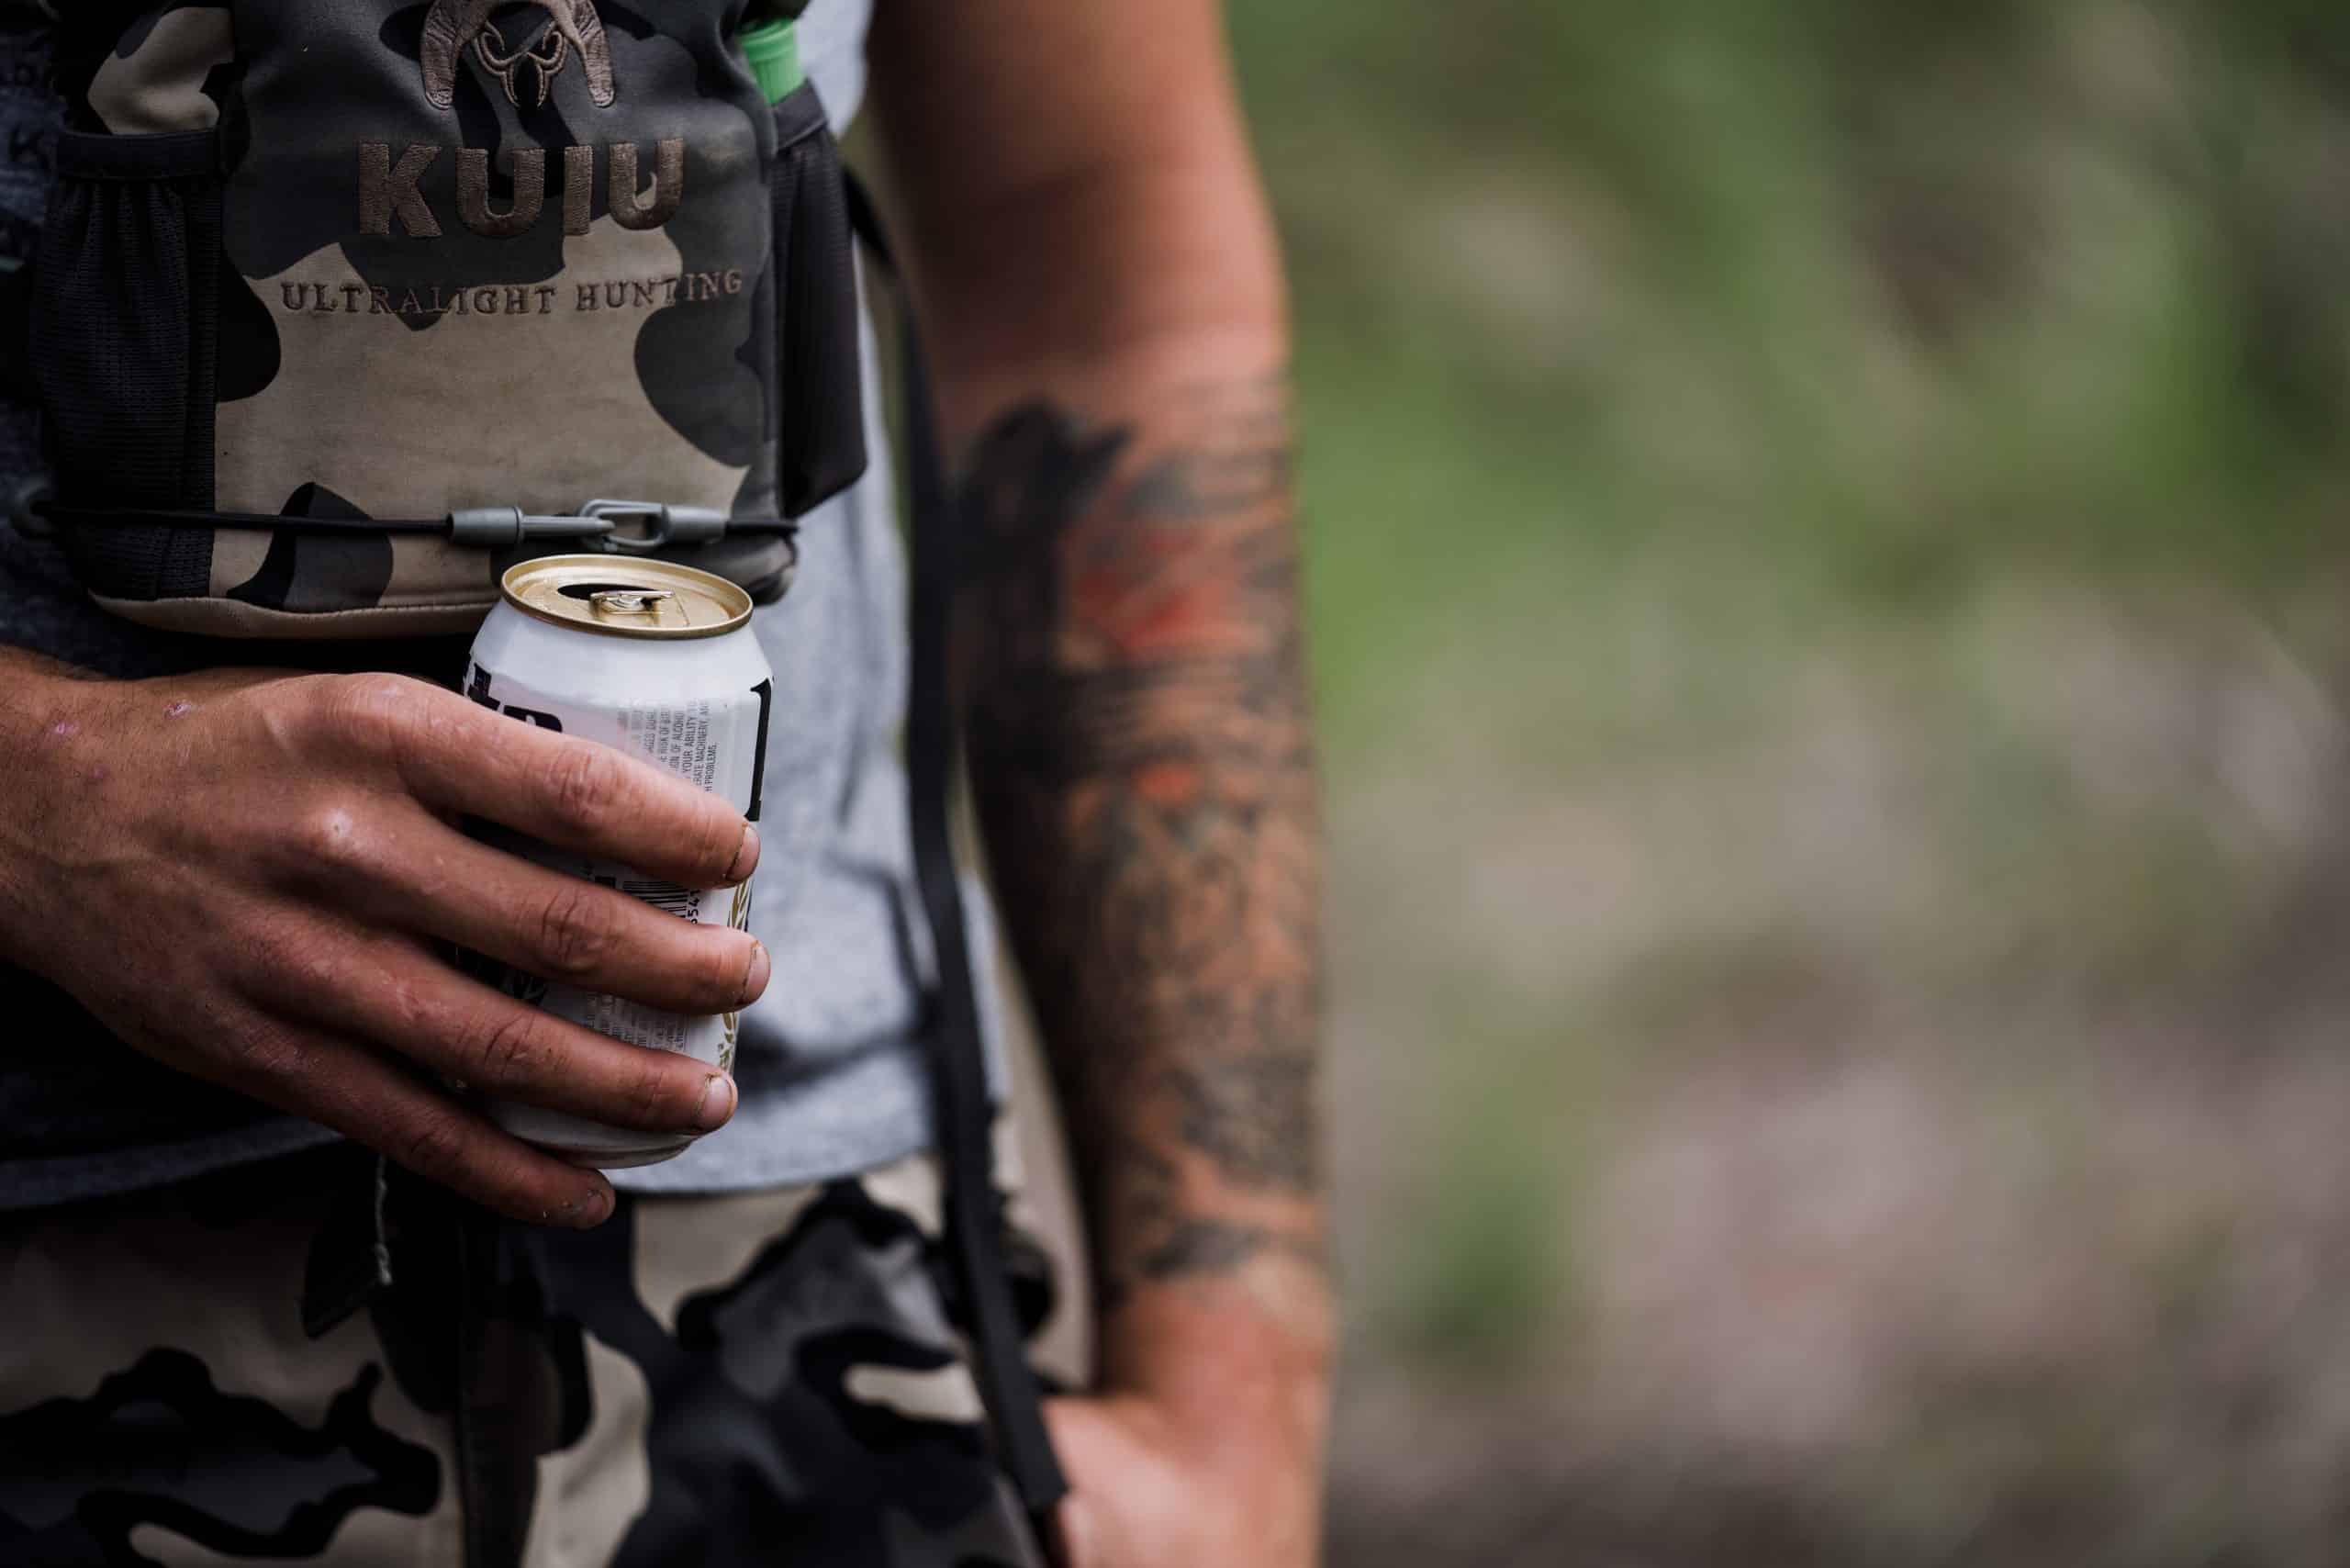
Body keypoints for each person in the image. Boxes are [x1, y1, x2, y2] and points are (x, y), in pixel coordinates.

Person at [0, 1, 1328, 1564]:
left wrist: (1235, 1407)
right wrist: (37, 796)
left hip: (819, 1294)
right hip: (60, 1283)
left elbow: (1097, 274)